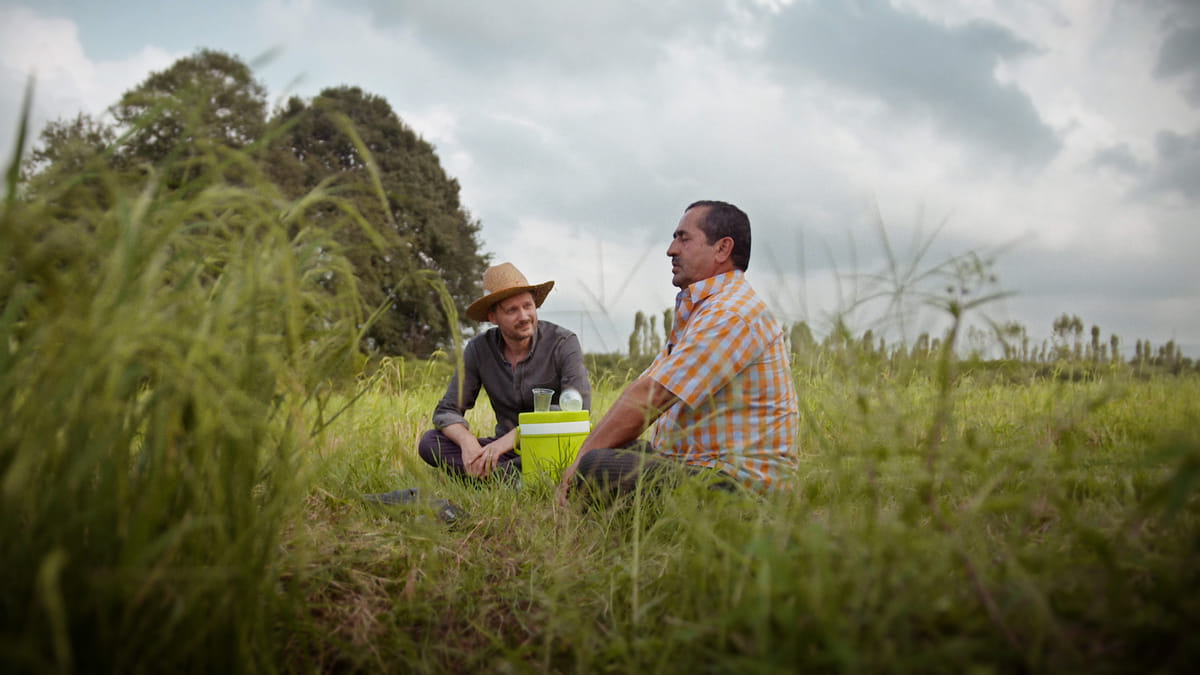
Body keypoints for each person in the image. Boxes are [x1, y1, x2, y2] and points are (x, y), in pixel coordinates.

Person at [556, 200, 798, 506]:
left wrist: (580, 463)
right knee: (611, 450)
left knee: (596, 465)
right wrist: (585, 455)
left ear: (722, 249)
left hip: (741, 488)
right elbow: (642, 389)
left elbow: (651, 396)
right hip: (700, 468)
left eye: (683, 238)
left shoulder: (732, 312)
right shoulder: (707, 310)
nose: (671, 250)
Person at [418, 262, 591, 482]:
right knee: (430, 442)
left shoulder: (563, 342)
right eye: (512, 310)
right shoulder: (478, 349)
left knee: (578, 458)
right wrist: (468, 444)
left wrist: (512, 437)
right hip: (503, 452)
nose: (524, 316)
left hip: (553, 446)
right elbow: (447, 411)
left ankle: (492, 476)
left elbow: (578, 408)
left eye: (528, 306)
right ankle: (503, 474)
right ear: (493, 317)